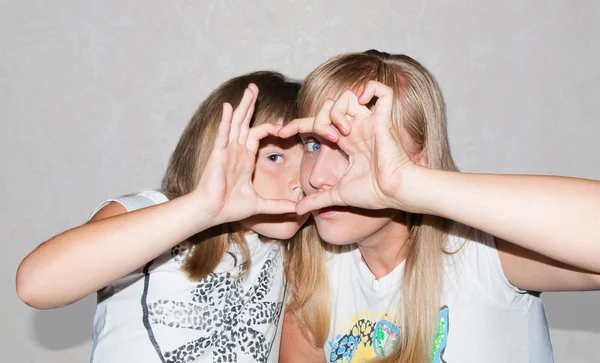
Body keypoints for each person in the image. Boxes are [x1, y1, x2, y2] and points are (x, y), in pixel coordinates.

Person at [279, 50, 600, 363]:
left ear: (418, 159)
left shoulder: (479, 250)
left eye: (354, 147)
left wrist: (406, 184)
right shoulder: (314, 275)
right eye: (314, 143)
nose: (318, 176)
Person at [16, 71, 310, 363]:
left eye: (310, 156)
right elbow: (36, 286)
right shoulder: (152, 212)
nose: (300, 181)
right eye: (275, 157)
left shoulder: (291, 249)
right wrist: (203, 208)